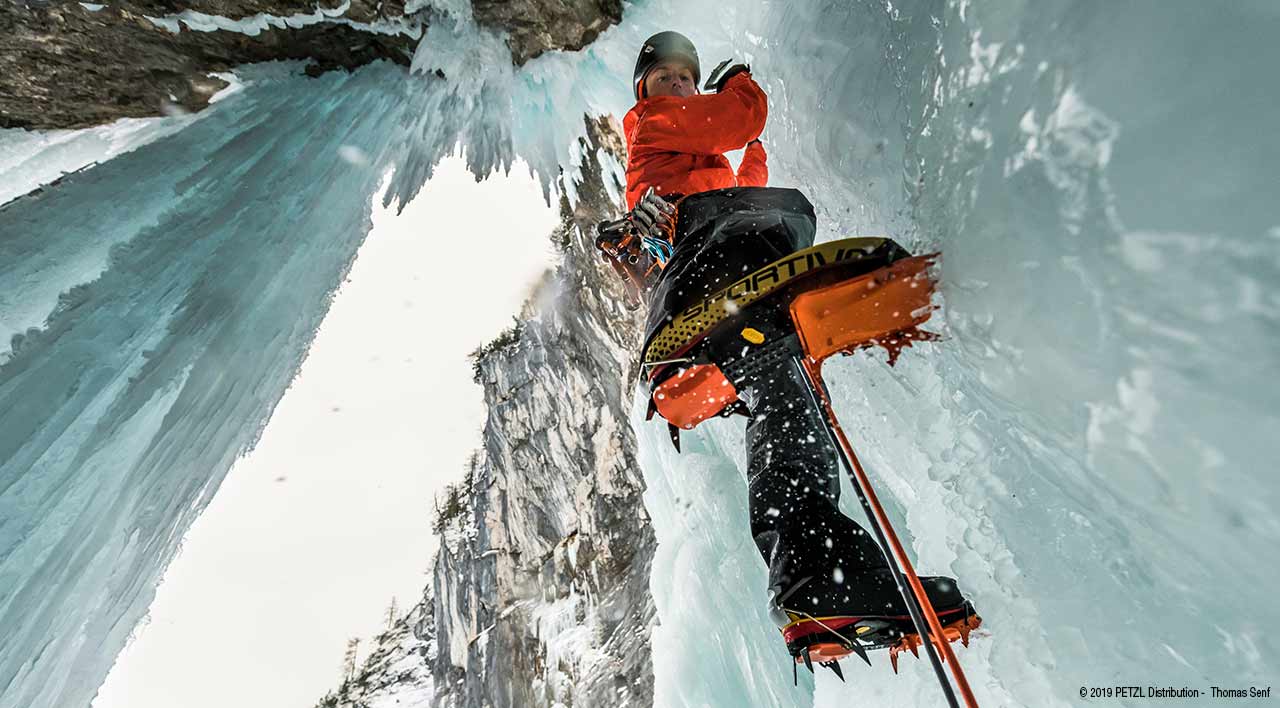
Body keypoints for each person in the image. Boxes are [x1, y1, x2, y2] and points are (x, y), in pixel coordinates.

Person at [609, 31, 979, 672]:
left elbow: (740, 166)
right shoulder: (655, 125)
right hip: (712, 260)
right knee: (777, 220)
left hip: (708, 274)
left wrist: (750, 150)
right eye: (665, 79)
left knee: (783, 395)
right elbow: (736, 120)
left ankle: (815, 577)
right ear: (645, 91)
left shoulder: (677, 148)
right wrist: (740, 83)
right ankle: (812, 569)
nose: (676, 87)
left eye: (684, 79)